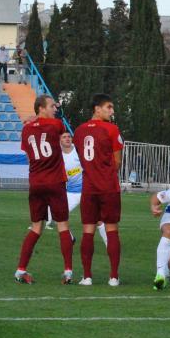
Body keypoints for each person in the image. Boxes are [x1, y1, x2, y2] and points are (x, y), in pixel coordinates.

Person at [14, 95, 74, 284]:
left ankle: (20, 270)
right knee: (63, 225)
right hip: (55, 181)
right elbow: (62, 135)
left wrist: (33, 121)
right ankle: (68, 272)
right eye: (51, 106)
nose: (55, 109)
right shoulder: (56, 125)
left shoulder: (26, 129)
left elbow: (28, 155)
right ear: (41, 108)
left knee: (36, 227)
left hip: (36, 182)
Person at [73, 93, 124, 286]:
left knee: (88, 230)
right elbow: (117, 162)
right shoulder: (111, 129)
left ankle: (87, 276)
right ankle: (114, 277)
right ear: (97, 109)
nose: (112, 111)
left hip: (88, 187)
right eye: (109, 107)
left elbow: (82, 157)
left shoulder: (79, 131)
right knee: (111, 229)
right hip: (108, 186)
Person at [44, 132, 109, 244]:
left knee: (98, 219)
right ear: (60, 140)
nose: (67, 139)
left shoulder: (79, 150)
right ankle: (70, 238)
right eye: (64, 137)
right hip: (71, 192)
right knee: (57, 215)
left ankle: (109, 243)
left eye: (69, 137)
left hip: (87, 191)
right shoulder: (58, 155)